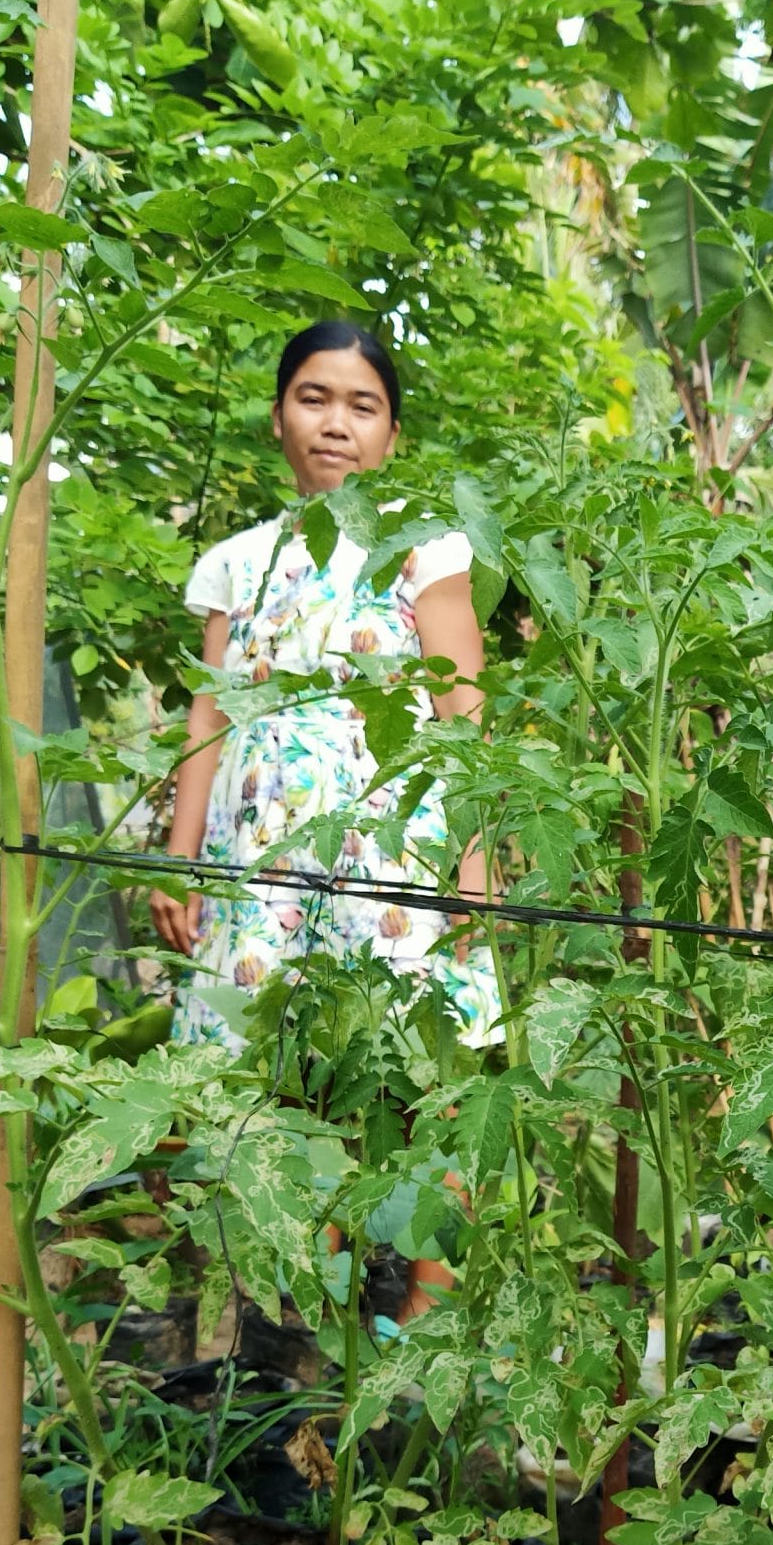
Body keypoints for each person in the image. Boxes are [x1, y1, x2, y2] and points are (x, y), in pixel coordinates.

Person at [152, 319, 495, 1052]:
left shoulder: (423, 548)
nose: (336, 423)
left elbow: (463, 712)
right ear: (278, 417)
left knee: (415, 1078)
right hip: (253, 869)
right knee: (247, 1088)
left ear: (391, 434)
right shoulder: (234, 565)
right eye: (314, 399)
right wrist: (179, 866)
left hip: (395, 867)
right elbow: (207, 722)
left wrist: (474, 875)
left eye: (362, 406)